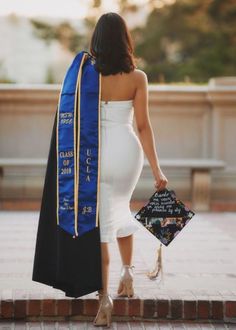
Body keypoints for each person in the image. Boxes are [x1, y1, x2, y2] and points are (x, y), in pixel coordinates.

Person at [90, 12, 168, 327]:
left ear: (97, 41)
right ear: (125, 40)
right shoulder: (138, 78)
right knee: (121, 209)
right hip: (128, 153)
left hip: (96, 154)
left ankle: (103, 297)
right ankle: (127, 272)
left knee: (101, 225)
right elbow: (144, 126)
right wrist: (157, 170)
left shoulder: (86, 75)